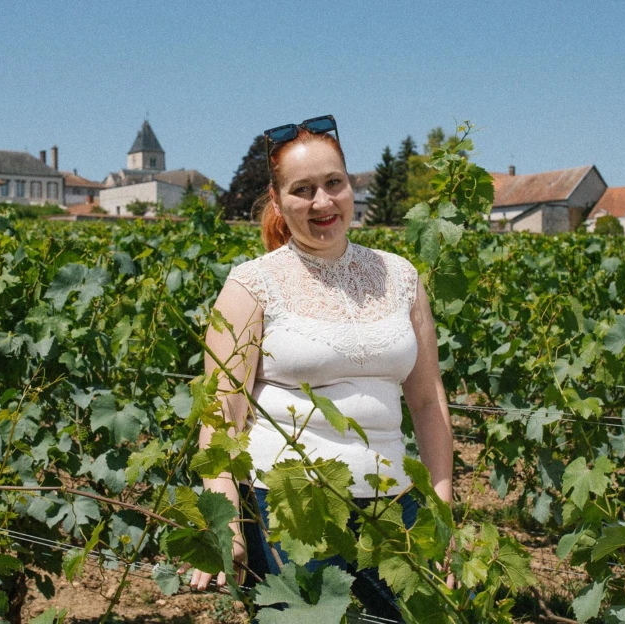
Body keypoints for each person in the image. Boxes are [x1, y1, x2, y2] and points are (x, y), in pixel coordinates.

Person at [190, 115, 454, 619]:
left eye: (334, 183)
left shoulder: (401, 277)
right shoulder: (251, 286)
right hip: (291, 513)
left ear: (350, 185)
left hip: (397, 507)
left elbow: (427, 398)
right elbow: (221, 414)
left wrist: (440, 510)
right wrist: (224, 525)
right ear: (277, 201)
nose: (322, 202)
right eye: (302, 189)